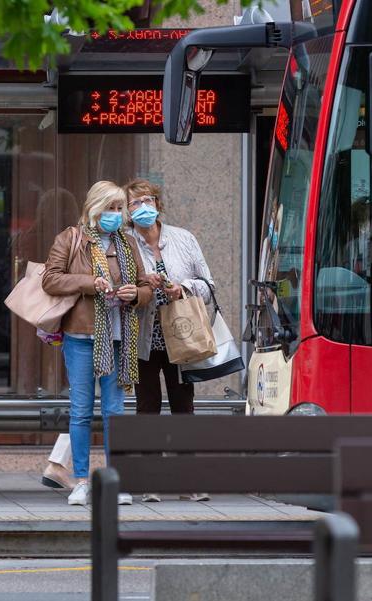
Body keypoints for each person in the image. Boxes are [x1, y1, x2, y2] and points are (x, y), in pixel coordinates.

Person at [42, 181, 152, 506]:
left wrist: (136, 294)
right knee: (80, 412)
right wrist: (90, 283)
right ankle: (80, 481)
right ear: (93, 208)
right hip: (80, 338)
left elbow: (145, 286)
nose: (115, 215)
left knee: (115, 412)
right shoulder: (71, 238)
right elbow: (51, 278)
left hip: (118, 338)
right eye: (110, 208)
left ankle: (114, 480)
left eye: (119, 209)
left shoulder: (128, 243)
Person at [125, 178, 214, 503]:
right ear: (127, 211)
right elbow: (120, 283)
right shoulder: (125, 241)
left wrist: (183, 287)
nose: (141, 208)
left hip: (181, 336)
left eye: (146, 200)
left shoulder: (183, 238)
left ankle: (188, 479)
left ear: (158, 204)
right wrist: (142, 284)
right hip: (144, 337)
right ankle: (150, 480)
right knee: (147, 407)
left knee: (183, 407)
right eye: (134, 203)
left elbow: (209, 284)